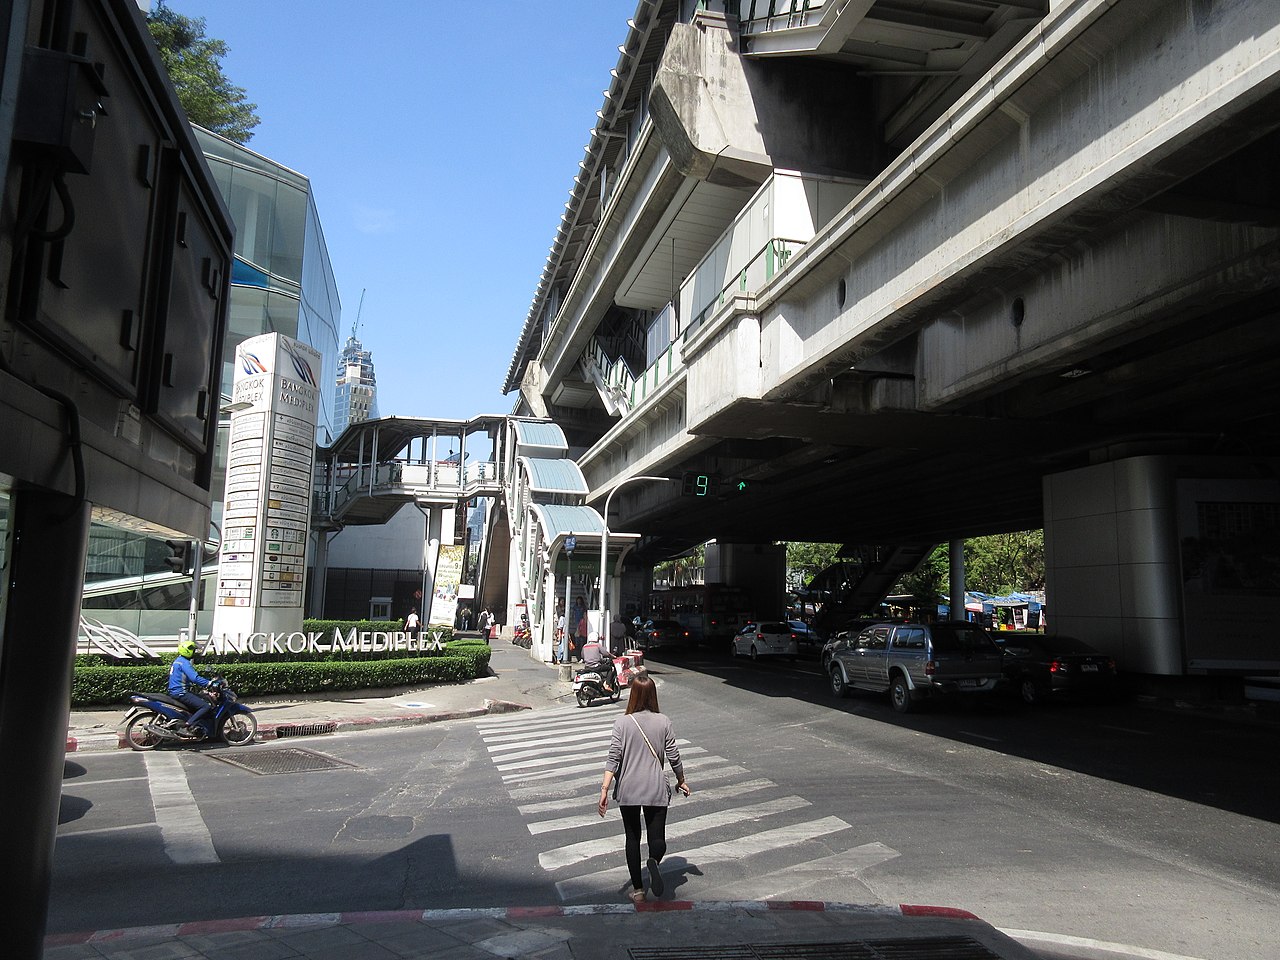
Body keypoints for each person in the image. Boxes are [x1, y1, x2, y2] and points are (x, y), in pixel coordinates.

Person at [597, 674, 691, 903]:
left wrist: (604, 789)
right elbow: (673, 756)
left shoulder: (622, 722)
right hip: (655, 787)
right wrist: (681, 780)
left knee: (632, 837)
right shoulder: (664, 721)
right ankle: (654, 860)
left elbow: (613, 758)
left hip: (629, 788)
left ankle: (638, 891)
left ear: (633, 695)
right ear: (653, 695)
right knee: (657, 837)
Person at [168, 638, 214, 737]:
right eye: (193, 650)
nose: (194, 652)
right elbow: (195, 678)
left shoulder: (177, 661)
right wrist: (209, 683)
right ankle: (187, 726)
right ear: (188, 651)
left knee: (199, 700)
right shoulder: (184, 663)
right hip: (181, 693)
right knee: (205, 706)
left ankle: (195, 724)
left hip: (175, 692)